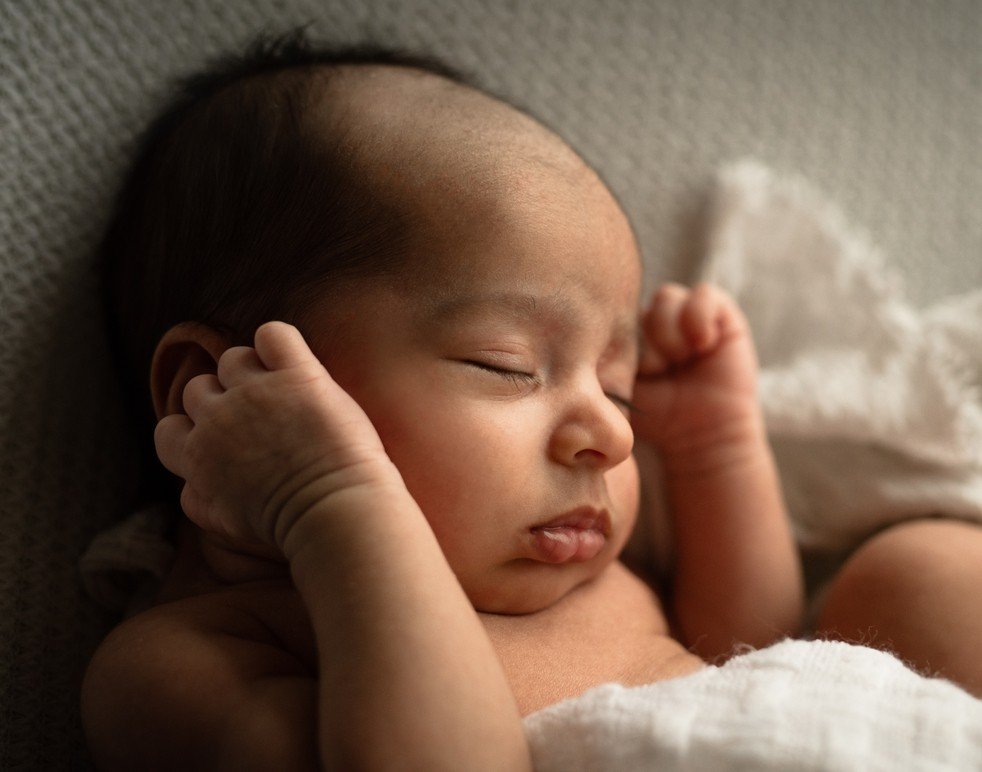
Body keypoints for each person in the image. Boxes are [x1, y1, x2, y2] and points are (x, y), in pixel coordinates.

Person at [82, 28, 981, 770]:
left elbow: (757, 649)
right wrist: (336, 504)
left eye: (618, 388)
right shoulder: (192, 658)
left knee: (923, 570)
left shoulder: (588, 577)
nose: (610, 434)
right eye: (505, 363)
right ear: (208, 397)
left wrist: (714, 448)